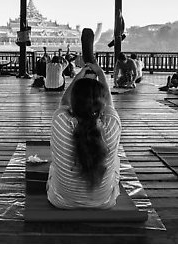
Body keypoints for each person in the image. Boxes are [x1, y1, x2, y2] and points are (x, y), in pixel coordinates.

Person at [47, 61, 122, 209]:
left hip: (61, 201)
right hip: (104, 202)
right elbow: (110, 104)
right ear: (102, 108)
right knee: (116, 160)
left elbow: (64, 101)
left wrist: (79, 76)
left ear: (73, 105)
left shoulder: (60, 121)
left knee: (53, 165)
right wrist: (101, 75)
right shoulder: (113, 124)